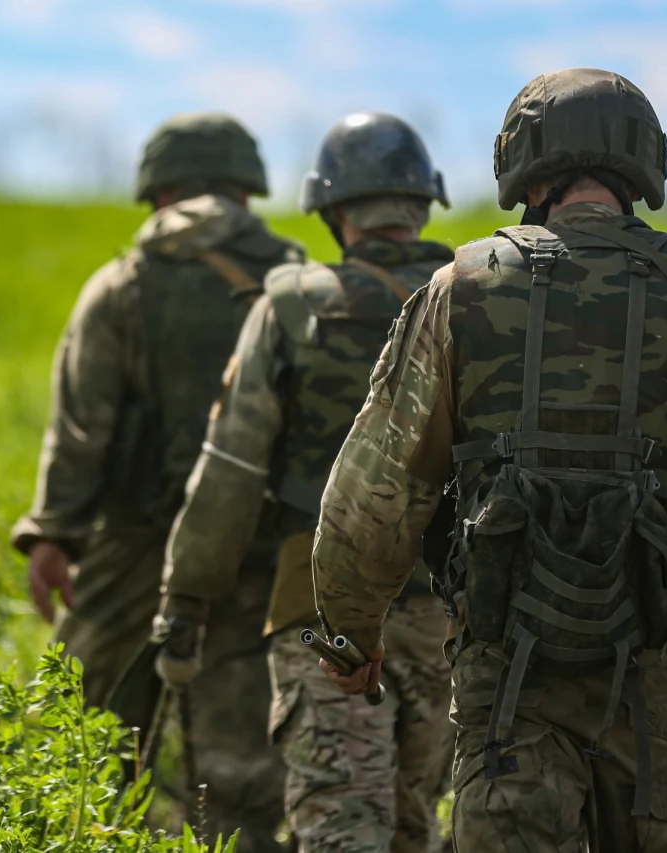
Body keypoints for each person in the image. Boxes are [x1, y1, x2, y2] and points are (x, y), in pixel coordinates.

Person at [312, 69, 667, 852]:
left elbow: (375, 491)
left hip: (508, 673)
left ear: (526, 164)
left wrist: (352, 632)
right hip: (655, 676)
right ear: (641, 163)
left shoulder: (461, 288)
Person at [154, 112, 456, 853]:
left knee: (339, 828)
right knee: (411, 825)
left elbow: (229, 470)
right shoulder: (479, 297)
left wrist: (186, 602)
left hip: (320, 608)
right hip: (455, 612)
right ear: (421, 204)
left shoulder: (292, 304)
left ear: (331, 211)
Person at [10, 111, 302, 852]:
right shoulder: (300, 279)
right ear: (246, 188)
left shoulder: (121, 285)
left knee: (75, 731)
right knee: (242, 766)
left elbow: (81, 429)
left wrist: (53, 535)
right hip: (263, 551)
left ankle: (96, 835)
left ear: (158, 191)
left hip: (141, 544)